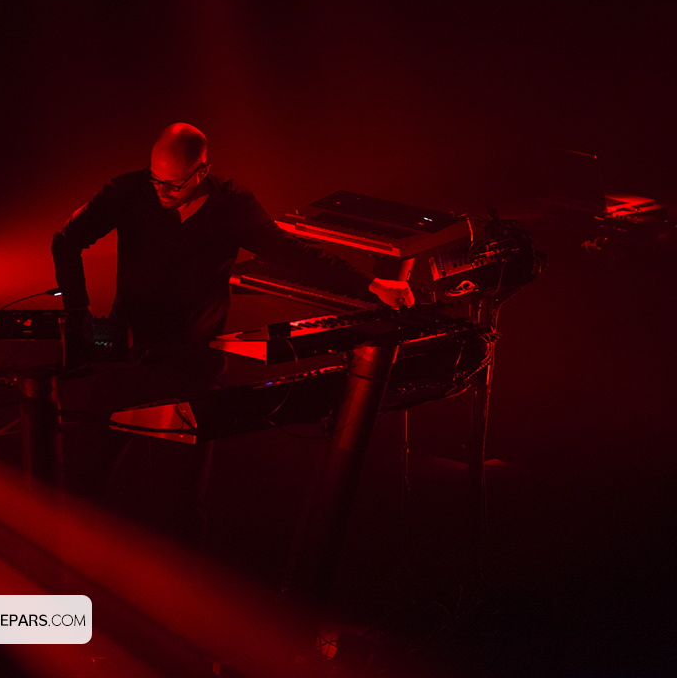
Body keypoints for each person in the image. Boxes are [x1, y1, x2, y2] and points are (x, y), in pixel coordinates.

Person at [50, 122, 413, 543]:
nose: (161, 191)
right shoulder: (127, 191)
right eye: (155, 180)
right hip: (125, 364)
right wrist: (78, 313)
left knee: (180, 506)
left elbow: (292, 254)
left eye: (173, 185)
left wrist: (370, 285)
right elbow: (65, 240)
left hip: (190, 371)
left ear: (202, 172)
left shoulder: (234, 205)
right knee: (81, 485)